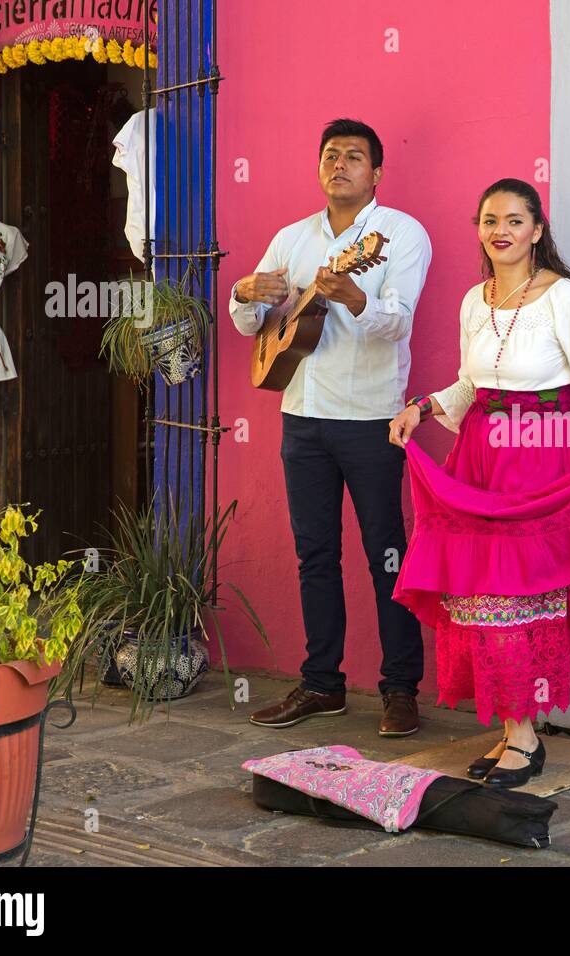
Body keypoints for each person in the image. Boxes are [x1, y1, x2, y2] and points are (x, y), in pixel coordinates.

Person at [388, 178, 570, 788]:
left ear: (537, 231)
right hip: (480, 455)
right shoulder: (471, 300)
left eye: (514, 219)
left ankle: (527, 739)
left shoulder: (565, 298)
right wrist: (422, 408)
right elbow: (467, 384)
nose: (500, 230)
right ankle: (513, 732)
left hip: (540, 453)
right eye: (489, 220)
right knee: (480, 598)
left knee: (521, 598)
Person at [230, 119, 432, 737]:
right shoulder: (291, 238)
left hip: (371, 419)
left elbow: (398, 323)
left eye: (353, 156)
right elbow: (249, 324)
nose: (339, 164)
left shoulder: (399, 235)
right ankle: (322, 684)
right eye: (329, 155)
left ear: (376, 172)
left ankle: (401, 689)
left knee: (387, 555)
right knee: (314, 555)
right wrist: (244, 291)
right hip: (302, 417)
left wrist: (353, 296)